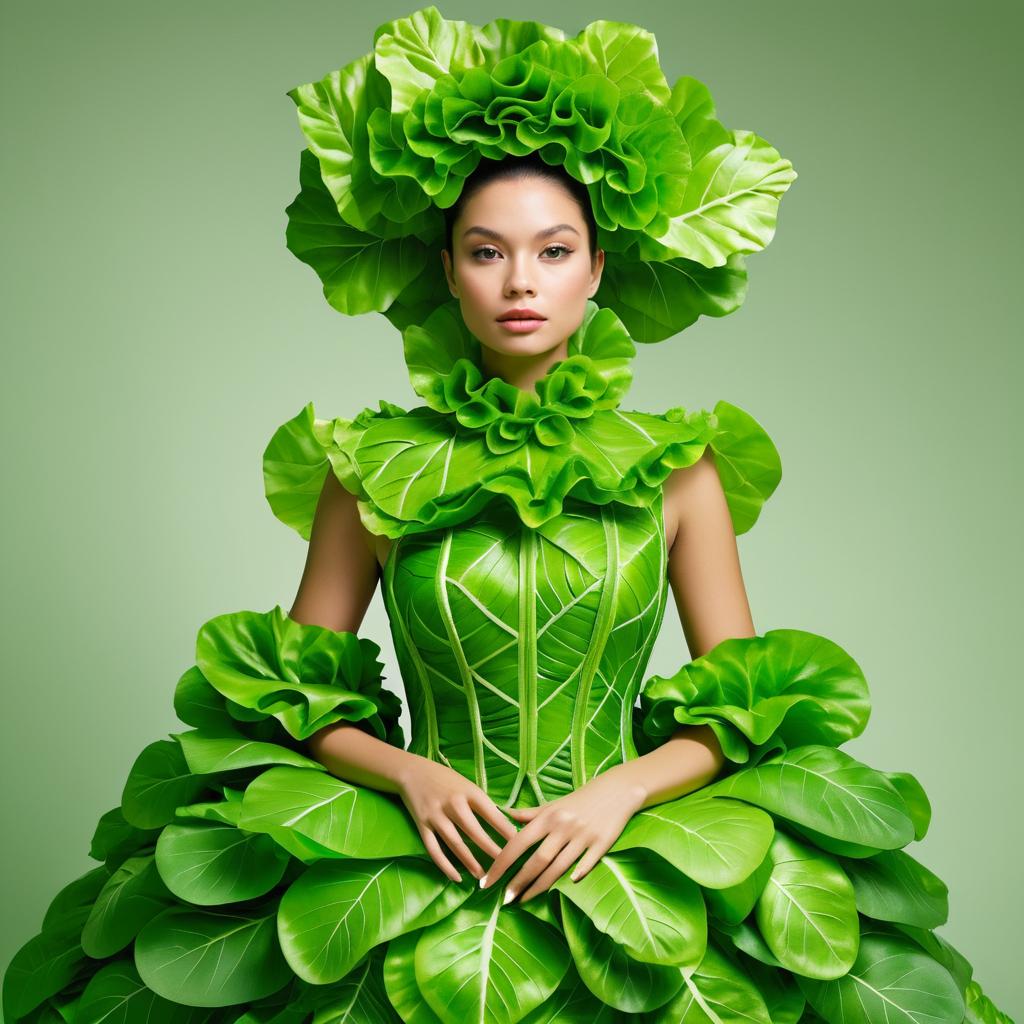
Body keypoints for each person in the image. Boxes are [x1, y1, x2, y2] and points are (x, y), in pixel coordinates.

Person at [2, 8, 1013, 1024]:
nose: (520, 280)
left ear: (598, 267)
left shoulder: (680, 471)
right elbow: (289, 696)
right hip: (419, 842)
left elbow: (740, 711)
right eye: (486, 252)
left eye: (553, 249)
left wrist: (615, 794)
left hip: (624, 845)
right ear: (445, 270)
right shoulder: (367, 470)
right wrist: (410, 777)